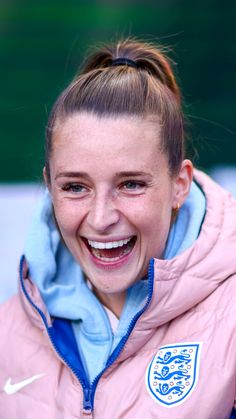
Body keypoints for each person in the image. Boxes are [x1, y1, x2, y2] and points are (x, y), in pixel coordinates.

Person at [0, 38, 235, 419]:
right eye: (75, 187)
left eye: (131, 184)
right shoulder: (8, 333)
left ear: (180, 184)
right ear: (49, 186)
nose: (100, 218)